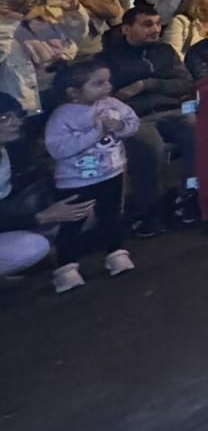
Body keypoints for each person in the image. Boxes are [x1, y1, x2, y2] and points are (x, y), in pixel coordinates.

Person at [44, 60, 142, 293]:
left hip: (112, 172)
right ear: (73, 92)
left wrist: (118, 126)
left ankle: (115, 252)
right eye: (98, 83)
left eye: (107, 81)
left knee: (111, 214)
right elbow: (58, 148)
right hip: (76, 180)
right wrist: (96, 131)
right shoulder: (62, 116)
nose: (107, 87)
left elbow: (133, 123)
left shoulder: (111, 104)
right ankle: (66, 266)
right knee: (72, 222)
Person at [102, 6, 199, 234]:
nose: (155, 29)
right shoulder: (108, 59)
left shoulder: (165, 51)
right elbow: (110, 95)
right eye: (147, 24)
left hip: (171, 111)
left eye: (157, 23)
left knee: (200, 134)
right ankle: (149, 211)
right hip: (135, 116)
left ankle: (190, 195)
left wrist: (145, 85)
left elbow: (185, 83)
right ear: (126, 29)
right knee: (149, 145)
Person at [1, 94, 95, 276]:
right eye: (4, 118)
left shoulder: (11, 147)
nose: (16, 123)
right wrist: (41, 217)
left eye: (18, 115)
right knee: (33, 247)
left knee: (84, 214)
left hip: (9, 217)